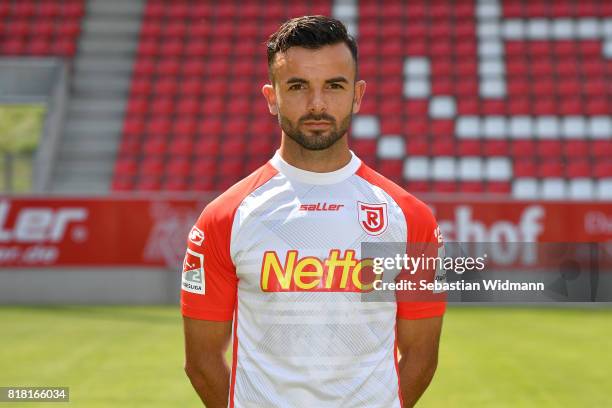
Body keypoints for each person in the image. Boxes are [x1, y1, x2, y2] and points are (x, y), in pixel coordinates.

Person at [181, 15, 445, 408]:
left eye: (334, 86)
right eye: (298, 86)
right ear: (272, 97)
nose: (317, 104)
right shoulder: (224, 217)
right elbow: (201, 362)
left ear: (357, 95)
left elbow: (422, 354)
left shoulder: (410, 218)